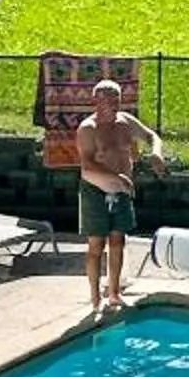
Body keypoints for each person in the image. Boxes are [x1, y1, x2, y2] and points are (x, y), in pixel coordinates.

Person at [73, 78, 167, 314]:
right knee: (96, 245)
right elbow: (87, 165)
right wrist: (117, 177)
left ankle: (114, 292)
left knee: (118, 241)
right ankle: (95, 297)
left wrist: (156, 153)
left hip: (121, 190)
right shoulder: (88, 129)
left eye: (117, 99)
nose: (115, 104)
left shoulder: (125, 122)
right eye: (109, 100)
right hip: (96, 190)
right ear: (96, 101)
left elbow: (151, 136)